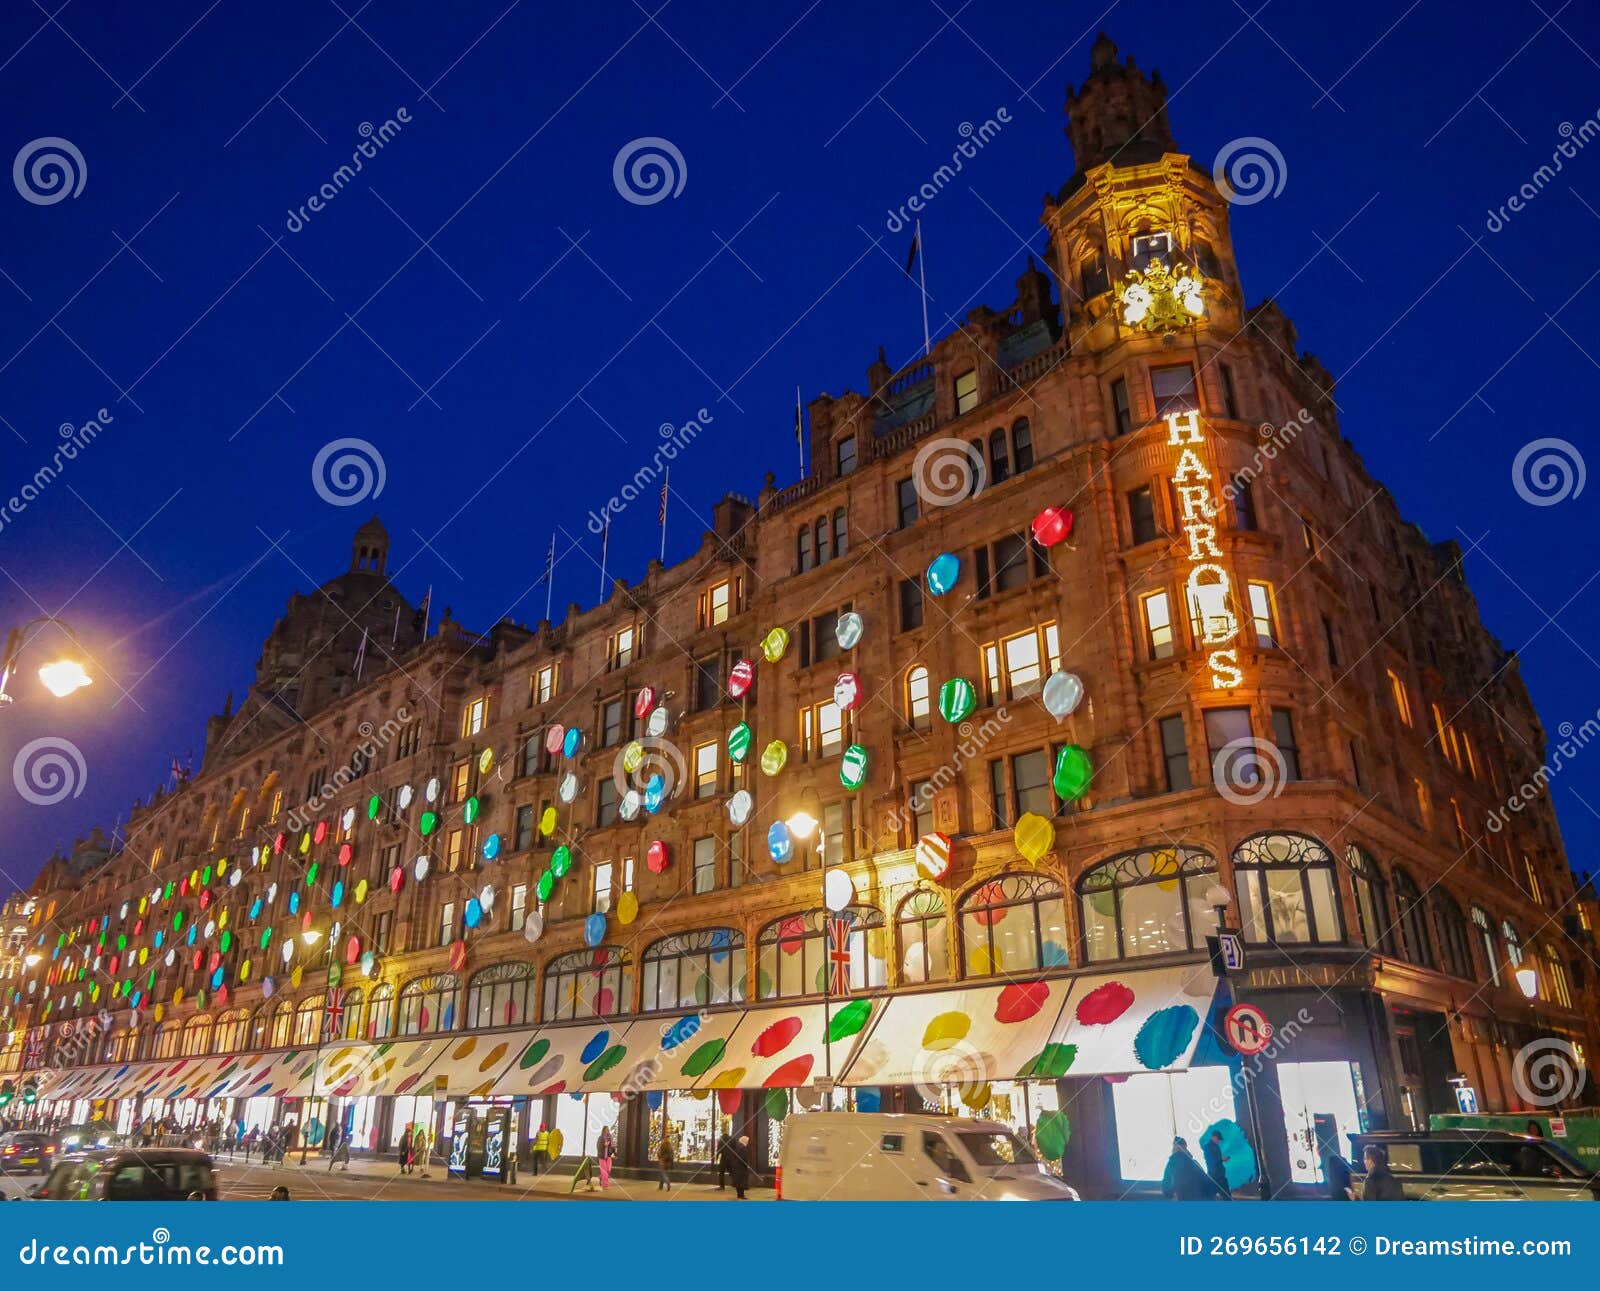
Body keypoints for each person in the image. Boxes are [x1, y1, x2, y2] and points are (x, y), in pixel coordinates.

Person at [1162, 1136, 1227, 1200]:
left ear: (1174, 1147)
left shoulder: (1172, 1164)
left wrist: (1171, 1194)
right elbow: (1207, 1184)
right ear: (1185, 1147)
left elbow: (1167, 1191)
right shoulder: (1194, 1163)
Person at [1201, 1130, 1231, 1198]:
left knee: (1226, 1197)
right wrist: (1221, 1159)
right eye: (1218, 1139)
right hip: (1214, 1176)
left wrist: (1221, 1159)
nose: (1219, 1141)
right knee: (1212, 1197)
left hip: (1219, 1175)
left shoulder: (1216, 1146)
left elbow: (1216, 1158)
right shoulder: (1207, 1147)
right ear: (1214, 1137)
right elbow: (1211, 1161)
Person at [726, 1132, 752, 1200]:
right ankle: (741, 1195)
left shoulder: (736, 1147)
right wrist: (747, 1165)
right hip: (741, 1167)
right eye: (747, 1141)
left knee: (738, 1182)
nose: (748, 1143)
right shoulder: (743, 1148)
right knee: (742, 1182)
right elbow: (744, 1158)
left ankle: (739, 1195)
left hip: (736, 1167)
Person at [596, 1126, 615, 1191]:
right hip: (602, 1157)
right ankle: (605, 1185)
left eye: (608, 1130)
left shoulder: (610, 1138)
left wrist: (614, 1153)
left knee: (608, 1170)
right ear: (603, 1130)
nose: (607, 1131)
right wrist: (604, 1145)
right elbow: (598, 1147)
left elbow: (612, 1146)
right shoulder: (600, 1138)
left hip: (608, 1156)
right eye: (606, 1130)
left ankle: (601, 1177)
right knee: (604, 1171)